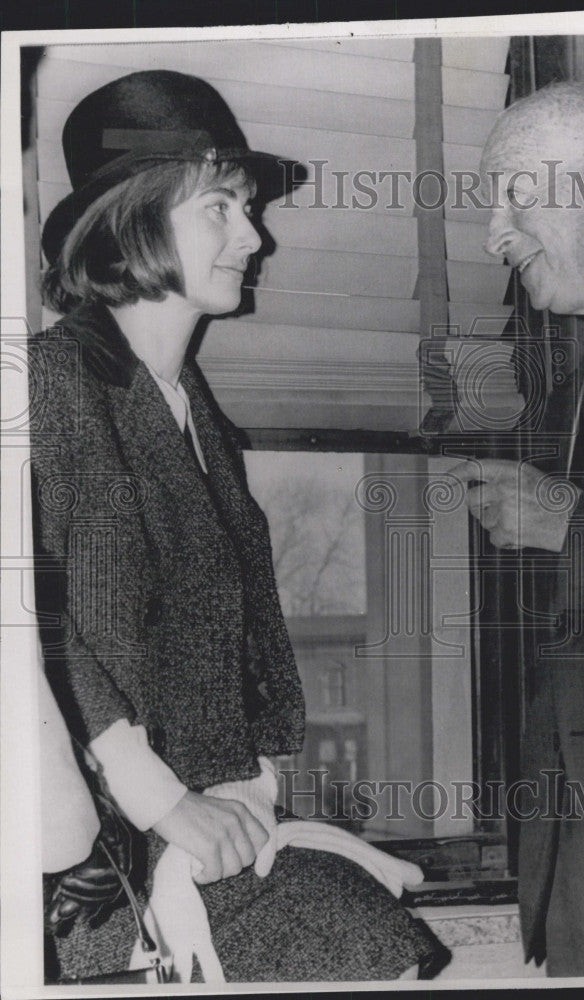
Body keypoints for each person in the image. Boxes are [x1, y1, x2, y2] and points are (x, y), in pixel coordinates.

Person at [30, 69, 446, 983]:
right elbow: (41, 633)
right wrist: (167, 807)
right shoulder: (49, 387)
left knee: (387, 943)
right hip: (111, 861)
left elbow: (244, 632)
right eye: (222, 207)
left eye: (245, 210)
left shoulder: (198, 411)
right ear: (133, 220)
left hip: (215, 831)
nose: (255, 239)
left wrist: (257, 786)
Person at [451, 82, 584, 976]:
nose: (496, 235)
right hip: (579, 846)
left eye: (515, 195)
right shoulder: (583, 380)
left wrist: (569, 516)